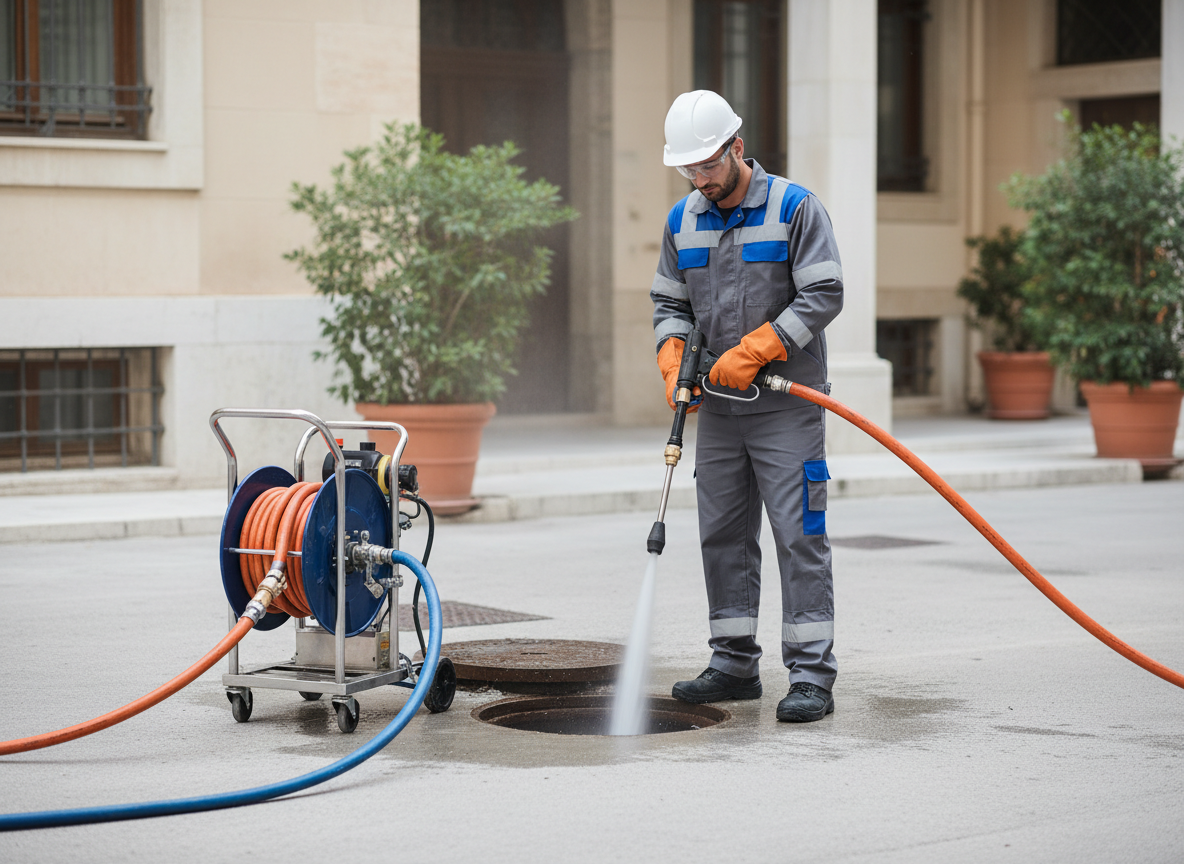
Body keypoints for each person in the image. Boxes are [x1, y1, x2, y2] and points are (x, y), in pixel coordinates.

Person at [651, 90, 844, 723]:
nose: (700, 179)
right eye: (690, 170)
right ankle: (733, 662)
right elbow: (670, 303)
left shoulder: (795, 208)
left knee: (798, 534)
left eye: (708, 164)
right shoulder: (683, 219)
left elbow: (823, 293)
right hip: (720, 410)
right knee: (723, 536)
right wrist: (673, 353)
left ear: (737, 147)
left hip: (786, 408)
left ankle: (811, 674)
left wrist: (759, 349)